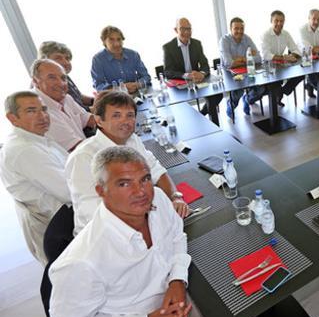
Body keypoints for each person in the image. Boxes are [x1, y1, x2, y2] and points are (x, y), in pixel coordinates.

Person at [49, 146, 288, 317]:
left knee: (251, 292)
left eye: (144, 179)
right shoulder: (81, 261)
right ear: (101, 191)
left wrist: (176, 281)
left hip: (176, 296)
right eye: (124, 183)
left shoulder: (159, 200)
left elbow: (177, 235)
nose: (140, 191)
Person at [66, 91, 189, 236]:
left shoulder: (132, 140)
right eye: (116, 115)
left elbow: (155, 169)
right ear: (99, 121)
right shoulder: (83, 157)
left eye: (129, 115)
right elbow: (92, 210)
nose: (125, 121)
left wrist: (175, 197)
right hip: (104, 237)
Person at [0, 91, 70, 265]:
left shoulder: (36, 138)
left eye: (44, 109)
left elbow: (71, 170)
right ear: (12, 118)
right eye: (31, 111)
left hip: (61, 215)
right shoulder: (24, 150)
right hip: (62, 225)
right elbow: (70, 192)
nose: (43, 116)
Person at [163, 17, 222, 124]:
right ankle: (191, 122)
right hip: (181, 83)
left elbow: (205, 64)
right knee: (179, 104)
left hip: (198, 81)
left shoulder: (196, 43)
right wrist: (186, 75)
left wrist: (202, 74)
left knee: (217, 94)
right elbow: (168, 72)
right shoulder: (168, 47)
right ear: (176, 30)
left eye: (189, 29)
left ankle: (207, 121)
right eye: (183, 29)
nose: (186, 32)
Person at [32, 59, 96, 152]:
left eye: (63, 78)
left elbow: (90, 120)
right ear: (36, 81)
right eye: (52, 77)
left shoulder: (66, 98)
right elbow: (78, 147)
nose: (60, 83)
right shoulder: (39, 111)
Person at [220, 17, 266, 116]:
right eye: (236, 28)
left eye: (241, 28)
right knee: (239, 86)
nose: (239, 31)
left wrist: (238, 59)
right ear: (230, 29)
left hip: (247, 71)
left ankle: (247, 99)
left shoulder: (247, 38)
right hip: (230, 73)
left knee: (261, 87)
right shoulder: (224, 40)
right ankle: (231, 105)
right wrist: (248, 57)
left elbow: (258, 58)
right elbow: (229, 63)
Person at [261, 10, 303, 106]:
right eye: (276, 21)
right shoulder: (265, 35)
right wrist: (284, 58)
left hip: (281, 66)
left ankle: (282, 92)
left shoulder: (286, 34)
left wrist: (292, 56)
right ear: (271, 21)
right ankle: (276, 95)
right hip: (267, 67)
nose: (279, 23)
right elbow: (266, 55)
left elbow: (296, 50)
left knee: (300, 74)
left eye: (282, 21)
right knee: (274, 85)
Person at [91, 25, 151, 93]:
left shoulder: (133, 54)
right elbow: (99, 86)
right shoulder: (98, 59)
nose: (117, 44)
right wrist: (120, 89)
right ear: (104, 41)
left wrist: (136, 85)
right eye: (111, 40)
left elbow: (146, 77)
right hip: (114, 98)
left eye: (119, 39)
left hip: (136, 94)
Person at [38, 41, 94, 111]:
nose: (66, 62)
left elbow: (78, 97)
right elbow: (77, 114)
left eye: (67, 58)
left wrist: (95, 100)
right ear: (44, 60)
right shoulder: (47, 83)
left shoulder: (63, 76)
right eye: (58, 58)